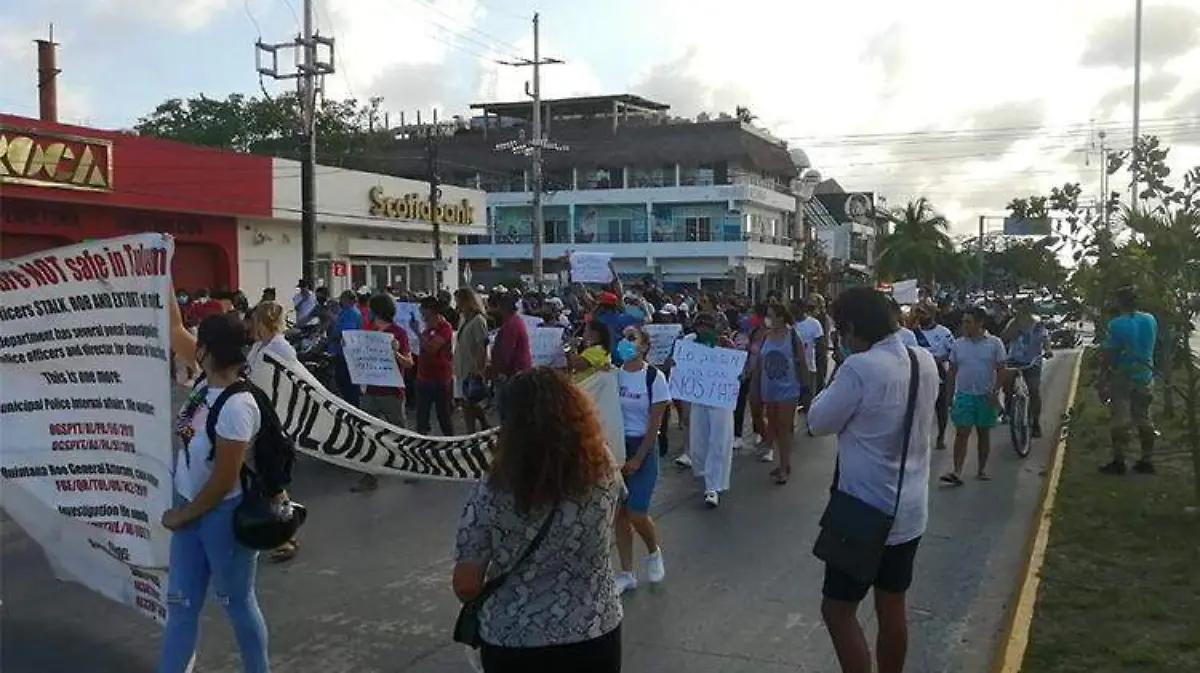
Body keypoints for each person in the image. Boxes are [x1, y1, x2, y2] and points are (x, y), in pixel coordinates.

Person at [452, 368, 623, 672]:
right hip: (595, 630)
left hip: (515, 640)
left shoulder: (495, 488)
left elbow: (466, 584)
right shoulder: (603, 467)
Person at [806, 287, 940, 673]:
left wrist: (836, 372)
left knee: (838, 609)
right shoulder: (924, 360)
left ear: (849, 327)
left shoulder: (860, 368)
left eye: (839, 331)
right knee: (892, 603)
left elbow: (817, 422)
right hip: (911, 509)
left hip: (864, 513)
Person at [162, 308, 271, 673]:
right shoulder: (203, 384)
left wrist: (183, 515)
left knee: (237, 602)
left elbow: (223, 480)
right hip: (190, 513)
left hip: (219, 516)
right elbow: (175, 326)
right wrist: (162, 260)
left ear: (206, 350)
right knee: (180, 604)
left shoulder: (238, 406)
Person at [613, 327, 671, 595]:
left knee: (637, 510)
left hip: (643, 448)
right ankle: (626, 573)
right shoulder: (613, 375)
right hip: (616, 446)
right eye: (623, 337)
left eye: (632, 338)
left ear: (645, 346)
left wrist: (638, 458)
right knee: (619, 514)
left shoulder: (654, 378)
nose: (625, 343)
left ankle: (653, 551)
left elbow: (654, 425)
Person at [353, 294, 415, 493]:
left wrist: (395, 352)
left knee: (400, 433)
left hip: (391, 392)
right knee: (368, 434)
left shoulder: (399, 333)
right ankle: (369, 476)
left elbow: (409, 362)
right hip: (370, 390)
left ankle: (412, 469)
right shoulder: (368, 331)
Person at [940, 307, 1007, 485]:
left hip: (986, 395)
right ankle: (957, 471)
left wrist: (996, 391)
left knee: (983, 432)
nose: (964, 325)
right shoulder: (958, 344)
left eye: (968, 322)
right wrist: (949, 397)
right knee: (962, 432)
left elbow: (1002, 369)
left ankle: (981, 469)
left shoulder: (995, 343)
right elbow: (952, 372)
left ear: (980, 323)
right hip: (964, 395)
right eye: (963, 322)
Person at [1099, 286, 1159, 475]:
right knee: (1144, 418)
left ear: (1119, 302)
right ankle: (1147, 459)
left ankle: (1119, 461)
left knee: (1120, 420)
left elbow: (1110, 355)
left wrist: (1103, 379)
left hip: (1123, 376)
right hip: (1145, 375)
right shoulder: (1150, 319)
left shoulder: (1116, 324)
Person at [682, 312, 736, 507]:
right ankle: (707, 476)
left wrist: (728, 349)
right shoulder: (689, 342)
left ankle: (713, 486)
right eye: (700, 325)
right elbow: (680, 368)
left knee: (719, 441)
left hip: (719, 400)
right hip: (699, 399)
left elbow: (735, 372)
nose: (703, 329)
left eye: (708, 326)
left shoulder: (724, 344)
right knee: (700, 440)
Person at [751, 303, 806, 485]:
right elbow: (760, 363)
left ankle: (784, 466)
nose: (768, 319)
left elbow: (802, 362)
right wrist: (756, 385)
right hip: (769, 388)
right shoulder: (766, 336)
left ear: (781, 318)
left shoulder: (791, 336)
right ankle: (780, 463)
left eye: (772, 315)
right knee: (773, 424)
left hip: (788, 388)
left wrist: (806, 388)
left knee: (784, 427)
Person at [1000, 299, 1051, 437]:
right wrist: (1014, 326)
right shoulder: (1013, 323)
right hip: (1013, 360)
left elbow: (1045, 339)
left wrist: (1048, 350)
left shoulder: (1038, 324)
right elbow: (1003, 338)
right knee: (1008, 386)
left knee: (1034, 390)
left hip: (1032, 361)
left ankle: (1035, 422)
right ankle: (1008, 410)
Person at [913, 306, 955, 451]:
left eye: (924, 313)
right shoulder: (913, 333)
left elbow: (953, 352)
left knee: (941, 407)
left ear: (932, 314)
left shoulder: (944, 332)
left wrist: (939, 359)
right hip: (919, 374)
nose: (921, 316)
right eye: (919, 313)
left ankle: (941, 436)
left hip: (940, 373)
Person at [413, 296, 455, 436]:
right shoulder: (427, 328)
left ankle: (450, 440)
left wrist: (417, 333)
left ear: (431, 311)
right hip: (424, 377)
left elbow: (432, 348)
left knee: (443, 415)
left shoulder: (444, 327)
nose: (421, 313)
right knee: (421, 416)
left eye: (423, 310)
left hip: (440, 378)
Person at [488, 292, 533, 421]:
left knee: (508, 411)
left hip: (512, 374)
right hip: (517, 372)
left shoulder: (510, 325)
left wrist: (500, 371)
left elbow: (506, 351)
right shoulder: (516, 321)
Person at [454, 287, 491, 433]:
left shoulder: (478, 320)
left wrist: (479, 369)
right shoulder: (463, 318)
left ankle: (479, 427)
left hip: (472, 366)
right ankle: (475, 429)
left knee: (471, 401)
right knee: (466, 402)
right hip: (462, 365)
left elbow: (482, 345)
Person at [329, 290, 364, 407]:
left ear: (347, 300)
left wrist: (332, 338)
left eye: (342, 299)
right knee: (343, 383)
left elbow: (346, 333)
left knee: (347, 385)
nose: (340, 301)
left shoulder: (351, 313)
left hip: (347, 355)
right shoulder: (345, 312)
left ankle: (352, 408)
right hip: (342, 353)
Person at [794, 298, 825, 408]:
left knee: (808, 400)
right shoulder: (788, 324)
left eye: (797, 309)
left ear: (803, 309)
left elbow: (820, 347)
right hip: (791, 371)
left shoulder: (814, 324)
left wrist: (821, 369)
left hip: (808, 368)